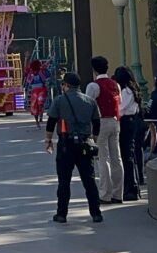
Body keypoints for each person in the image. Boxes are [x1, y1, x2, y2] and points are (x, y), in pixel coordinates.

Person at [44, 72, 103, 224]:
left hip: (66, 144)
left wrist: (48, 140)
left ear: (67, 85)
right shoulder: (90, 101)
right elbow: (96, 123)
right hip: (85, 144)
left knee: (64, 181)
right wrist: (93, 139)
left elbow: (51, 122)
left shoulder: (59, 101)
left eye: (63, 84)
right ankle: (96, 213)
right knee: (89, 180)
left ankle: (61, 214)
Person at [84, 56, 124, 204]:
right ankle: (118, 193)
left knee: (103, 158)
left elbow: (88, 106)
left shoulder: (93, 86)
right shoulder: (115, 84)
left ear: (94, 69)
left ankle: (105, 193)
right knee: (116, 157)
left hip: (101, 122)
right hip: (115, 120)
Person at [113, 67, 143, 201]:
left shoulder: (126, 91)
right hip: (130, 121)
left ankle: (131, 187)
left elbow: (121, 108)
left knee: (127, 155)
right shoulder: (133, 90)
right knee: (129, 154)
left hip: (126, 122)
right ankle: (131, 186)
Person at [26, 60, 50, 128]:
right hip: (35, 91)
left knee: (40, 103)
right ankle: (37, 121)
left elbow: (46, 66)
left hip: (41, 89)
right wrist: (26, 58)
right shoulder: (31, 72)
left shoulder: (41, 71)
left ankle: (40, 117)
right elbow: (26, 69)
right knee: (35, 106)